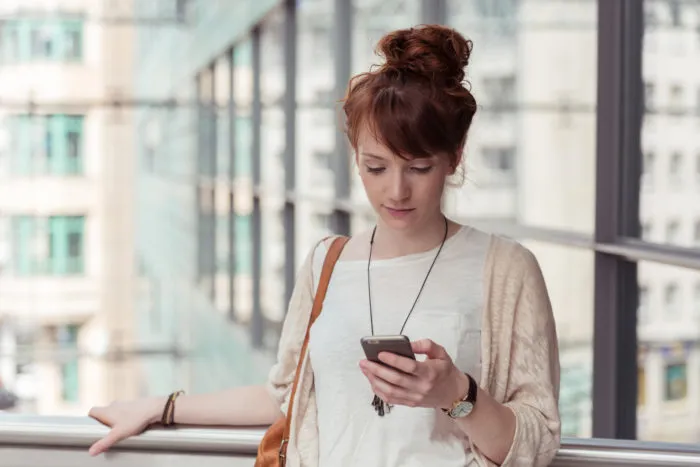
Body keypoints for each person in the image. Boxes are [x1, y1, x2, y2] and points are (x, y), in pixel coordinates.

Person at [88, 24, 560, 466]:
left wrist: (458, 395)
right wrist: (161, 406)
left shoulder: (505, 269)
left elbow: (537, 441)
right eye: (376, 167)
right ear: (355, 157)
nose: (396, 191)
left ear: (453, 158)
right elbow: (285, 394)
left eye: (418, 168)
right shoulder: (328, 261)